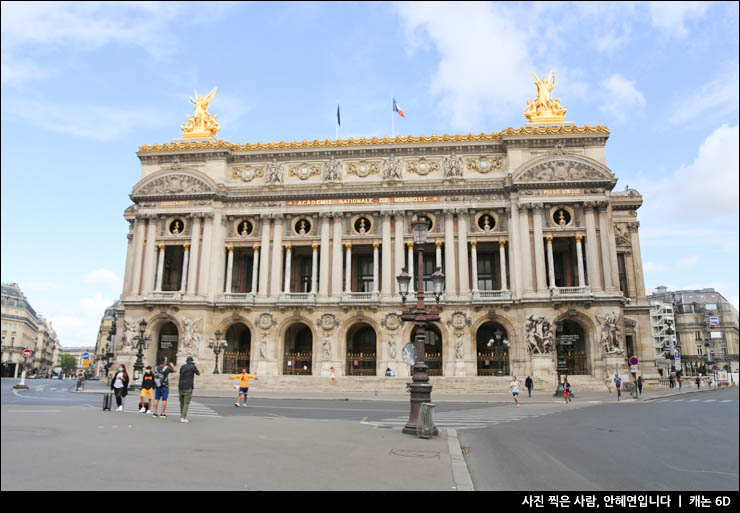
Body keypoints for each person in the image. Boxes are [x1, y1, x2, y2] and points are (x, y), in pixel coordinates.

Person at [178, 356, 200, 423]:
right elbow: (198, 373)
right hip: (188, 386)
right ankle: (183, 417)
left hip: (181, 385)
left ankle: (182, 415)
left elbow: (180, 373)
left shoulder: (182, 367)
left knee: (182, 402)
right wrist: (196, 366)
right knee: (186, 402)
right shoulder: (193, 367)